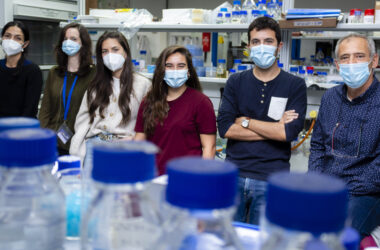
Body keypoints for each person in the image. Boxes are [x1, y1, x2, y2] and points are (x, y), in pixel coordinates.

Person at [217, 17, 307, 225]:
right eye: (256, 42)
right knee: (228, 239)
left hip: (272, 178)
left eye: (268, 41)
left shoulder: (295, 85)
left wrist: (245, 122)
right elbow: (225, 128)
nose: (261, 47)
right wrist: (275, 127)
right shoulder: (235, 81)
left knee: (265, 242)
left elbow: (288, 133)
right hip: (234, 175)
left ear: (279, 46)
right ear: (248, 46)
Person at [309, 33, 380, 238]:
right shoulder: (331, 97)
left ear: (373, 61)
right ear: (337, 65)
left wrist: (342, 191)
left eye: (359, 56)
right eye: (345, 58)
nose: (352, 63)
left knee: (336, 236)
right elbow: (317, 146)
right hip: (327, 186)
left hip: (366, 194)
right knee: (296, 226)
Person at [69, 31, 151, 167]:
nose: (110, 55)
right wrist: (78, 154)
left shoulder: (144, 85)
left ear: (125, 52)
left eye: (115, 49)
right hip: (95, 147)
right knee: (91, 188)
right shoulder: (95, 85)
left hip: (126, 148)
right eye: (105, 51)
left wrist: (135, 139)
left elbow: (150, 124)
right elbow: (82, 122)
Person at [134, 45, 216, 175]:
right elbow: (139, 142)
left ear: (189, 71)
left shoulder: (201, 103)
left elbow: (209, 148)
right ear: (162, 70)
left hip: (188, 177)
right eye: (169, 66)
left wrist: (201, 178)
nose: (175, 70)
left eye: (181, 66)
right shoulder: (148, 102)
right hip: (154, 177)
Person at [39, 23, 95, 156]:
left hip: (79, 143)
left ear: (83, 44)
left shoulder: (93, 74)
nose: (68, 42)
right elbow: (45, 110)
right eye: (65, 39)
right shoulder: (55, 72)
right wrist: (42, 137)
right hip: (52, 141)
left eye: (74, 39)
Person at [0, 21, 42, 118]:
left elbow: (30, 110)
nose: (11, 41)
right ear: (2, 38)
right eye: (7, 36)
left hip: (22, 128)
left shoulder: (32, 70)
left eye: (17, 38)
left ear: (25, 44)